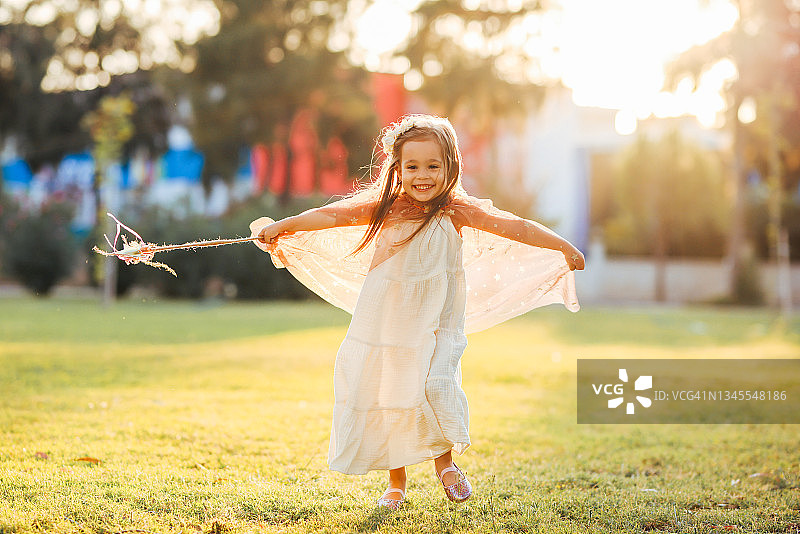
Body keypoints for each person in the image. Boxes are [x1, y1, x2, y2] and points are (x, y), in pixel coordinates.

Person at [252, 114, 585, 510]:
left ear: (450, 167)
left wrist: (562, 245)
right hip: (389, 323)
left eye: (433, 165)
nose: (422, 175)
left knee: (436, 385)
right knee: (393, 393)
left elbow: (516, 227)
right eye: (412, 166)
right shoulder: (387, 209)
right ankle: (396, 484)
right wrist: (288, 225)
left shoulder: (458, 212)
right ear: (397, 169)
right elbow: (333, 216)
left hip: (436, 323)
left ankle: (445, 464)